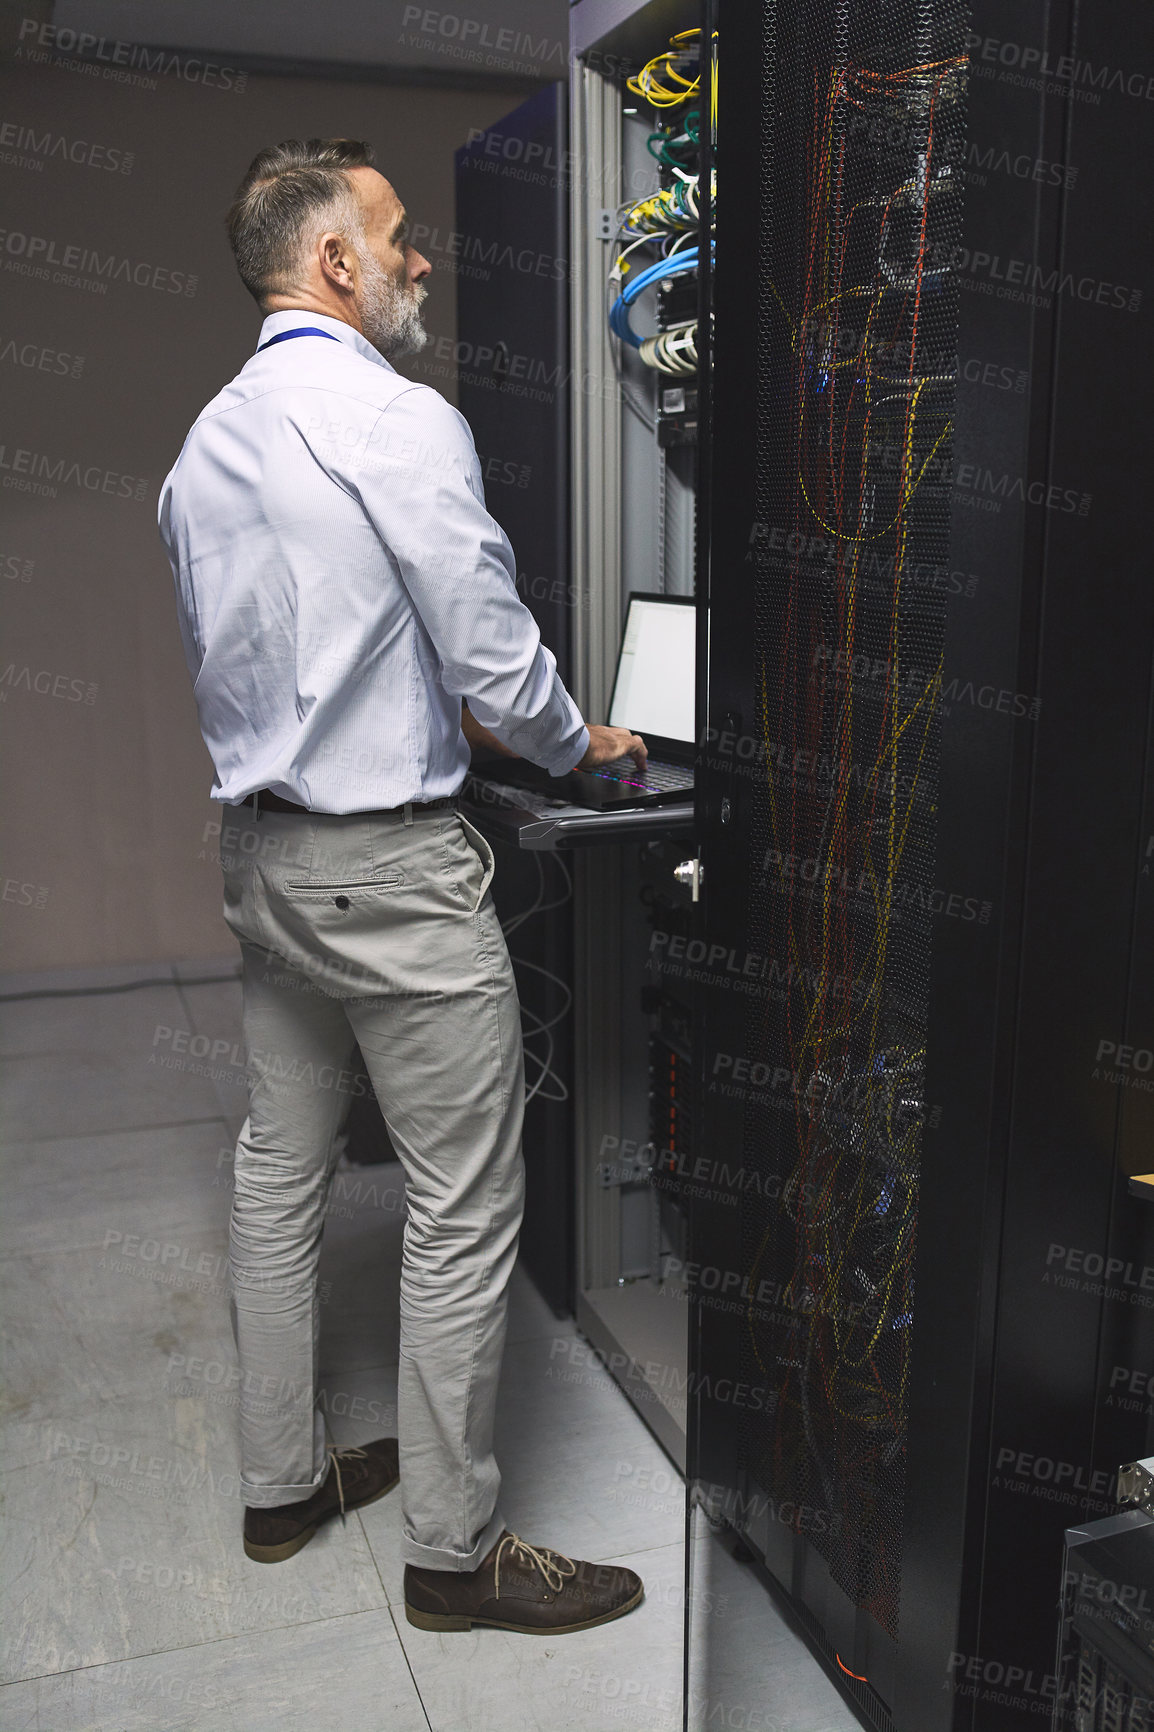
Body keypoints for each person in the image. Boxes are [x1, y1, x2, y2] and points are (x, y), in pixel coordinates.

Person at [158, 137, 648, 1635]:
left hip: (261, 857)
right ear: (332, 265)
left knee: (277, 1167)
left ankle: (283, 1481)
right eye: (395, 235)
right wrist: (591, 748)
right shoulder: (393, 417)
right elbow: (491, 660)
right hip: (385, 871)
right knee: (459, 1203)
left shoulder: (202, 450)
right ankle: (453, 1553)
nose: (419, 258)